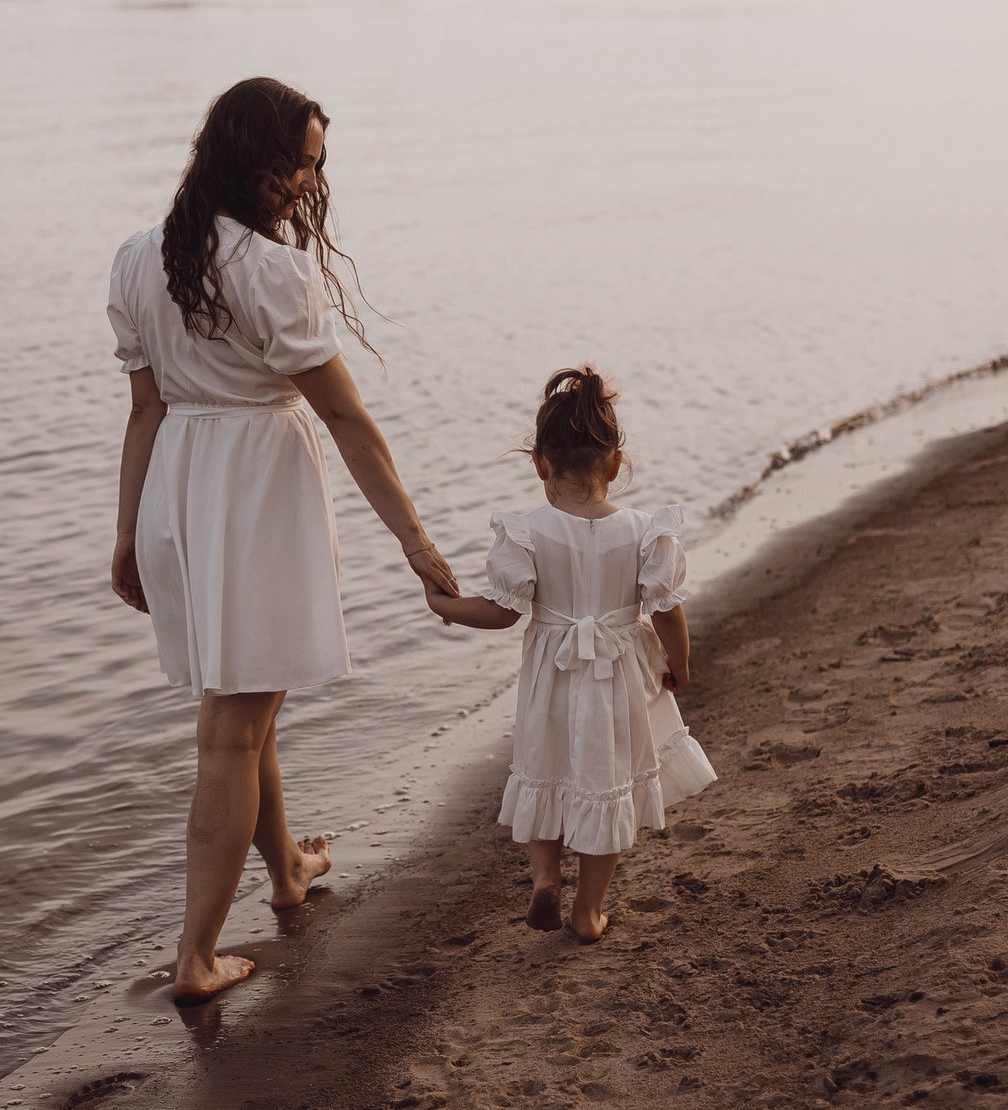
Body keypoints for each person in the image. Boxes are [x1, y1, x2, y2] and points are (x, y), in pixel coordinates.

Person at [108, 76, 458, 1004]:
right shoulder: (271, 271)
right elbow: (348, 421)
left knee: (246, 702)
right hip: (255, 485)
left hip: (180, 491)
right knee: (230, 730)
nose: (309, 180)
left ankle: (289, 872)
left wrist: (127, 532)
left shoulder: (140, 258)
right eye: (298, 163)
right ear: (251, 160)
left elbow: (145, 412)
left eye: (315, 163)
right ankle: (195, 957)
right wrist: (418, 546)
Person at [424, 367, 716, 941]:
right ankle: (588, 910)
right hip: (618, 674)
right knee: (607, 777)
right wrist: (678, 664)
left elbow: (503, 612)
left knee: (546, 766)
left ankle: (544, 879)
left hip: (550, 675)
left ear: (540, 463)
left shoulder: (528, 533)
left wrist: (445, 606)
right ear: (614, 464)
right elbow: (667, 610)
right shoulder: (645, 532)